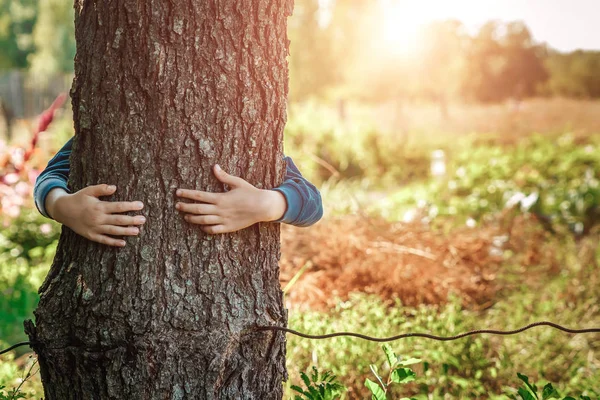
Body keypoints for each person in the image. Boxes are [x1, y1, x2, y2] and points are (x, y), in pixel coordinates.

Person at [34, 137, 323, 247]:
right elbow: (50, 176)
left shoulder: (252, 140)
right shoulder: (105, 125)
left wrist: (267, 203)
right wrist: (63, 206)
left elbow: (313, 204)